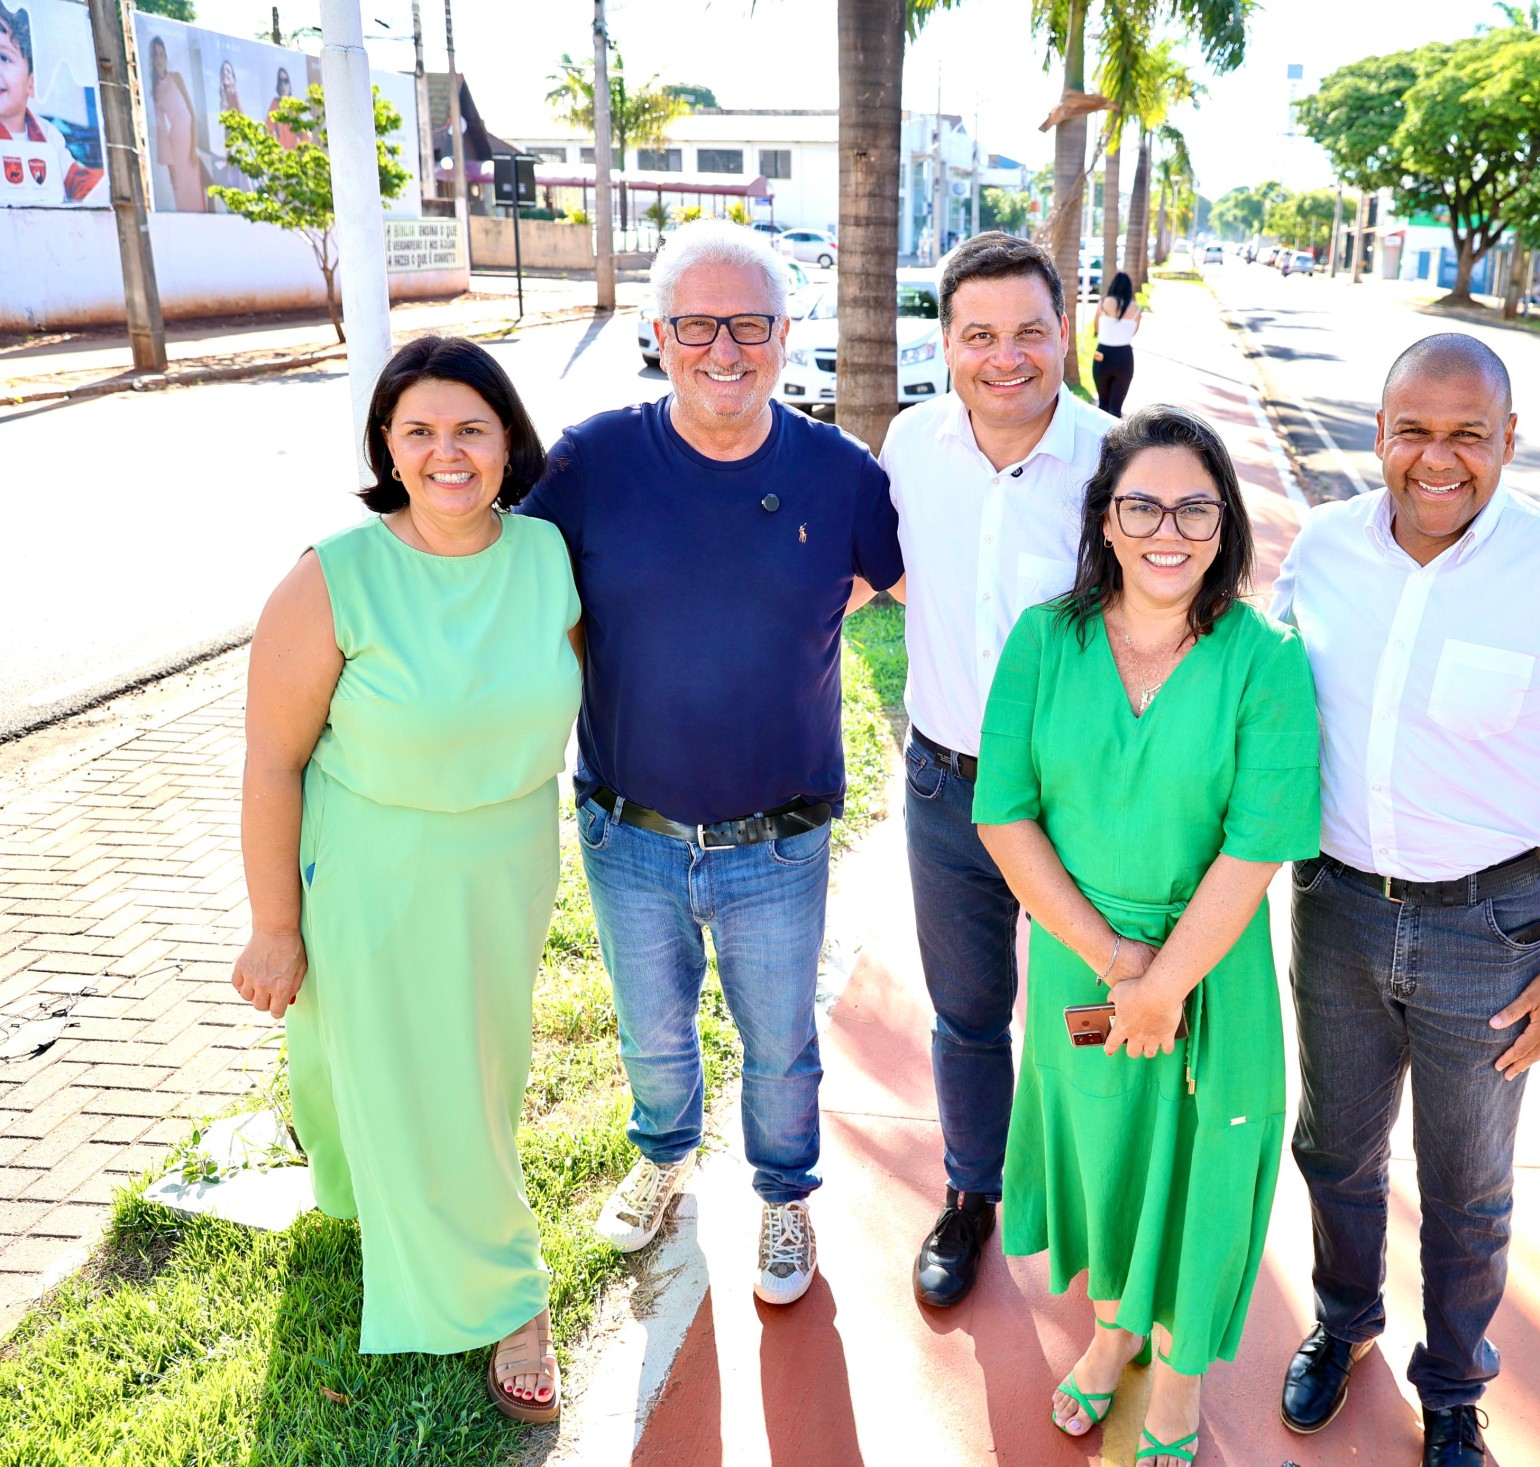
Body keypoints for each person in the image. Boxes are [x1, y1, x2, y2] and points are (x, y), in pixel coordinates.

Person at [1269, 333, 1540, 1467]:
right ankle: (1343, 1323)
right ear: (1379, 434)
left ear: (1508, 441)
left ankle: (1451, 1387)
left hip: (1486, 934)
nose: (1436, 460)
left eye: (1467, 436)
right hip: (1335, 907)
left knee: (1469, 1186)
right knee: (1333, 1150)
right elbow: (1269, 704)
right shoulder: (1325, 546)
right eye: (1413, 432)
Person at [519, 221, 901, 1305]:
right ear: (658, 333)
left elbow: (911, 588)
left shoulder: (840, 473)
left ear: (786, 333)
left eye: (748, 324)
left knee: (779, 1041)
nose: (722, 350)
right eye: (696, 325)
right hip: (628, 830)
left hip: (776, 839)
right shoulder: (592, 461)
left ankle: (782, 1196)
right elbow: (516, 584)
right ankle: (663, 1154)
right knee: (651, 1029)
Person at [229, 335, 580, 1422]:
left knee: (476, 1064)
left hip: (507, 857)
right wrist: (275, 925)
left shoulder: (548, 554)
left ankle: (361, 1178)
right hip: (375, 865)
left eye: (471, 428)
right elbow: (273, 762)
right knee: (418, 1068)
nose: (447, 452)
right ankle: (510, 1295)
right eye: (419, 430)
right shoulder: (332, 577)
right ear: (386, 445)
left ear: (508, 439)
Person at [974, 405, 1320, 1464]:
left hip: (1216, 969)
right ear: (1104, 519)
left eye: (1194, 509)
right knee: (1108, 1154)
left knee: (1207, 1168)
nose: (1168, 530)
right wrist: (1122, 965)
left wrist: (1166, 983)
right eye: (1141, 506)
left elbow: (1257, 845)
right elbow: (1004, 813)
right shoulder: (1045, 640)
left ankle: (1178, 1376)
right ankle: (1115, 1331)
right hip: (1082, 960)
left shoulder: (1265, 660)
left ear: (1225, 525)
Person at [877, 230, 1116, 1311]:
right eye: (979, 335)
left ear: (1066, 333)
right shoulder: (910, 443)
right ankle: (972, 1193)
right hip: (945, 785)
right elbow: (887, 575)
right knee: (967, 1010)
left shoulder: (1118, 460)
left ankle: (1101, 1197)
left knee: (1094, 1006)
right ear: (946, 344)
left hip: (1080, 799)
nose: (1005, 356)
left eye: (1029, 331)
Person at [0, 6, 104, 205]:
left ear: (32, 83)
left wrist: (98, 189)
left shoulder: (48, 134)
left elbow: (78, 181)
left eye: (3, 58)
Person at [147, 36, 208, 213]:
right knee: (182, 192)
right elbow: (162, 134)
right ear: (152, 59)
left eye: (161, 54)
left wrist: (193, 149)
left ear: (166, 57)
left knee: (199, 190)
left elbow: (192, 113)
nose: (159, 58)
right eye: (155, 55)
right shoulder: (156, 91)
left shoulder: (176, 78)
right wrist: (171, 170)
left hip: (189, 142)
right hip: (176, 146)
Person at [1094, 271, 1142, 416]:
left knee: (1102, 404)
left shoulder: (1103, 303)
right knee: (1115, 408)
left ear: (1113, 285)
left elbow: (1096, 327)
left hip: (1103, 355)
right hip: (1124, 357)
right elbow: (1133, 332)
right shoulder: (1136, 309)